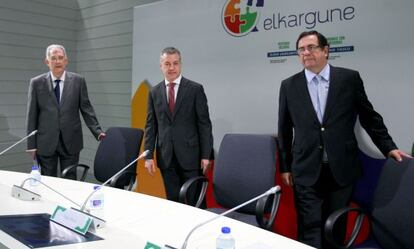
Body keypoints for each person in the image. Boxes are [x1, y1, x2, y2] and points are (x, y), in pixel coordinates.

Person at [277, 30, 408, 249]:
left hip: (342, 167)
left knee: (335, 225)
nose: (306, 53)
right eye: (301, 49)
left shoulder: (348, 79)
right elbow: (284, 128)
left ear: (326, 51)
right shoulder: (289, 85)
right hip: (306, 167)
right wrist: (285, 166)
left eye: (311, 47)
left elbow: (369, 117)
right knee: (309, 226)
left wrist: (388, 148)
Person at [144, 47, 213, 203]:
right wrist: (148, 156)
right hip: (166, 158)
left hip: (191, 157)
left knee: (195, 202)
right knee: (173, 202)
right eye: (167, 64)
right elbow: (150, 126)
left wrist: (206, 155)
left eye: (175, 63)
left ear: (180, 64)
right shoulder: (154, 92)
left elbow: (204, 124)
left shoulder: (195, 89)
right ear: (161, 66)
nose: (172, 68)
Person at [26, 44, 105, 180]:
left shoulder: (78, 81)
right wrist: (31, 145)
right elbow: (31, 115)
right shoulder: (36, 83)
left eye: (60, 58)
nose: (57, 61)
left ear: (66, 61)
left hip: (71, 141)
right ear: (47, 62)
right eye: (53, 58)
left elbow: (86, 108)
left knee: (70, 180)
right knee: (47, 181)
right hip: (46, 142)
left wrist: (97, 131)